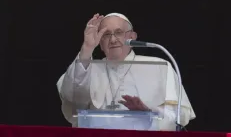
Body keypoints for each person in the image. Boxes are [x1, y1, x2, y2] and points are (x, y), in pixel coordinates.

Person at [56, 13, 196, 131]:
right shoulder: (87, 67)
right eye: (106, 34)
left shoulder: (160, 66)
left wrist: (149, 112)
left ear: (132, 36)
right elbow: (72, 98)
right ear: (100, 42)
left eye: (119, 32)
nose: (113, 39)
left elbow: (179, 115)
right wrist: (87, 47)